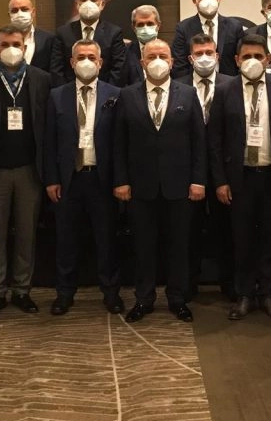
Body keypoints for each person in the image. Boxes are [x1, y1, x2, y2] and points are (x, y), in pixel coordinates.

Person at [113, 39, 206, 323]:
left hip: (179, 186)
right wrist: (121, 181)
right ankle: (144, 299)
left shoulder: (188, 94)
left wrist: (198, 181)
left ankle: (178, 299)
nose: (157, 60)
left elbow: (198, 142)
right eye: (151, 56)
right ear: (142, 62)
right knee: (143, 247)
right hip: (140, 187)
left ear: (172, 61)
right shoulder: (127, 95)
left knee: (179, 246)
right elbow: (119, 143)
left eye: (162, 55)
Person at [209, 34, 271, 321]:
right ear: (236, 60)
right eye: (246, 56)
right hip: (240, 178)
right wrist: (220, 181)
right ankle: (245, 294)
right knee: (242, 238)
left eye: (258, 56)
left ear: (268, 59)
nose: (252, 61)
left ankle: (268, 294)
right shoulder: (224, 90)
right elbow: (215, 141)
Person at [0, 26, 51, 318]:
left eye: (16, 43)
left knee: (26, 233)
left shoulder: (42, 79)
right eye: (4, 44)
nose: (11, 49)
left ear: (25, 46)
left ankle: (22, 289)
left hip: (30, 169)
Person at [44, 40, 123, 315]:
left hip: (102, 179)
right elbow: (49, 142)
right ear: (71, 62)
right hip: (69, 180)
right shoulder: (57, 96)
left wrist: (120, 180)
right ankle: (64, 293)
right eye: (81, 57)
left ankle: (111, 292)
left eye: (91, 57)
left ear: (100, 63)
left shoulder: (116, 94)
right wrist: (51, 179)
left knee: (107, 240)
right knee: (66, 241)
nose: (86, 62)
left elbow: (120, 143)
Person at [178, 33, 235, 299]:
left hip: (225, 171)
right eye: (198, 53)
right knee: (188, 233)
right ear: (190, 58)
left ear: (217, 56)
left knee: (227, 231)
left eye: (209, 52)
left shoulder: (232, 85)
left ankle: (230, 285)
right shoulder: (177, 86)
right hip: (189, 172)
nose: (204, 58)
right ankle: (188, 285)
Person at [53, 0, 127, 85]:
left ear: (102, 4)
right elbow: (57, 69)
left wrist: (107, 91)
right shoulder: (63, 33)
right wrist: (67, 91)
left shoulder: (114, 33)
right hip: (71, 91)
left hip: (105, 91)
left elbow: (118, 68)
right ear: (77, 4)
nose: (88, 3)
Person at [171, 0, 245, 79]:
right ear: (195, 1)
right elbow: (179, 66)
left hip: (229, 84)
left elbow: (242, 60)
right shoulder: (183, 28)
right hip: (194, 86)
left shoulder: (234, 26)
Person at [0, 0, 61, 77]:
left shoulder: (48, 38)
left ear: (33, 12)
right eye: (14, 10)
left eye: (24, 9)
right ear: (9, 14)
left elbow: (54, 71)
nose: (19, 14)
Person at [120, 5, 161, 86]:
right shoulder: (124, 52)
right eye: (140, 25)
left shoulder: (169, 52)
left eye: (150, 24)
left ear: (158, 26)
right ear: (134, 28)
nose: (145, 28)